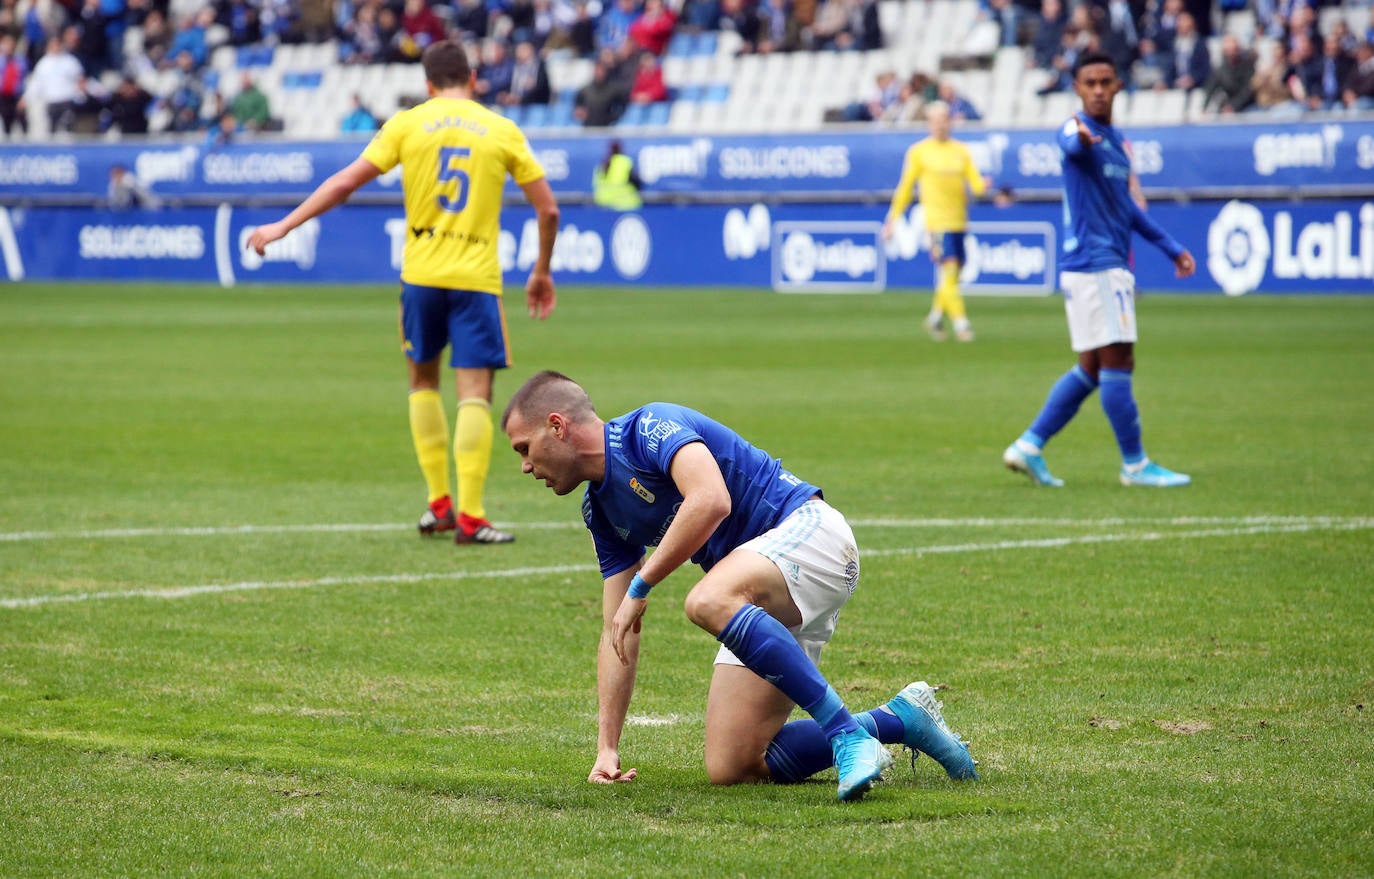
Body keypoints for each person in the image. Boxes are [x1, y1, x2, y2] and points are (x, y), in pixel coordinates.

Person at [499, 371, 979, 801]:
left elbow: (711, 500)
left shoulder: (649, 428)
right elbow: (616, 632)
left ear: (557, 426)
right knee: (734, 765)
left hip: (813, 536)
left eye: (524, 447)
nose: (524, 465)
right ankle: (900, 719)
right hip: (760, 594)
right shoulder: (600, 512)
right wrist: (607, 748)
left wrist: (642, 586)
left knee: (706, 599)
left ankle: (846, 736)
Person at [247, 40, 561, 545]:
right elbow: (548, 210)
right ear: (474, 79)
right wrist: (541, 270)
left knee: (423, 383)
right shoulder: (500, 130)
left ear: (428, 84)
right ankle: (473, 516)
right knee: (474, 394)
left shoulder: (407, 124)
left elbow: (347, 182)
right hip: (474, 280)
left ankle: (438, 504)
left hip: (420, 277)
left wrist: (283, 226)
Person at [1002, 50, 1196, 489]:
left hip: (1095, 266)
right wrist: (1080, 140)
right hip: (1097, 265)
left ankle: (1029, 446)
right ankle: (1135, 464)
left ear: (1118, 86)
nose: (1097, 90)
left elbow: (1126, 207)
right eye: (1089, 82)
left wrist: (1171, 248)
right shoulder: (1078, 128)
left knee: (1091, 367)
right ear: (1077, 88)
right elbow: (1070, 140)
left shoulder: (1115, 142)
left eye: (1105, 81)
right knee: (1118, 361)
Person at [882, 101, 993, 343]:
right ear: (929, 123)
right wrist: (892, 219)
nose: (941, 123)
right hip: (936, 223)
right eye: (936, 119)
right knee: (950, 268)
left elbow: (974, 183)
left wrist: (983, 186)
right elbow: (905, 188)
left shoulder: (961, 150)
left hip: (959, 221)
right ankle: (962, 323)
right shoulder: (919, 152)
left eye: (945, 118)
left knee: (953, 275)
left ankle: (935, 316)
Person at [592, 139, 642, 210]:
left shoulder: (601, 165)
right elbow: (637, 182)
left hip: (604, 206)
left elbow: (597, 185)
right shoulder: (624, 162)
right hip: (625, 205)